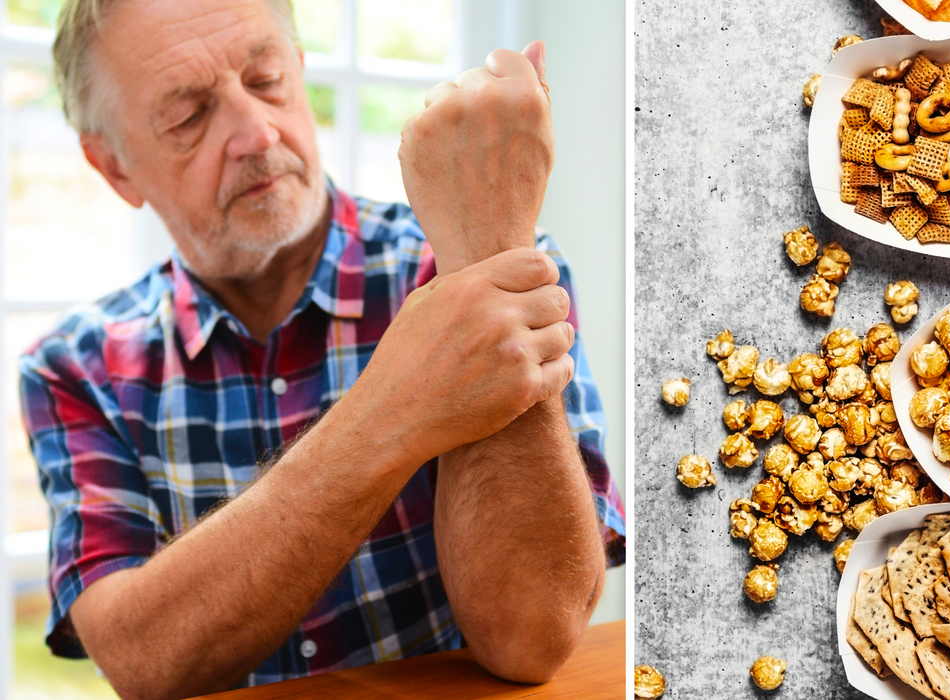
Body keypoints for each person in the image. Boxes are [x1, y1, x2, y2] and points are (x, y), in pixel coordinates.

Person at [17, 0, 626, 697]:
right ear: (115, 168)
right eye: (188, 117)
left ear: (302, 73)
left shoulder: (477, 258)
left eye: (267, 78)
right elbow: (142, 666)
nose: (255, 131)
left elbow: (533, 637)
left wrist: (487, 252)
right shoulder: (73, 369)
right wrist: (394, 407)